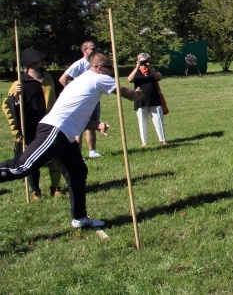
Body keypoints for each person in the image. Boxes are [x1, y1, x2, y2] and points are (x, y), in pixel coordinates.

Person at [0, 53, 144, 228]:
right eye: (110, 68)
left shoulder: (81, 81)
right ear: (99, 68)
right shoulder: (99, 78)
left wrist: (96, 125)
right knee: (22, 166)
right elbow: (129, 95)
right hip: (55, 130)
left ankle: (80, 218)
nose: (112, 72)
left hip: (64, 134)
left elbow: (76, 114)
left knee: (77, 171)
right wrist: (140, 92)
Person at [2, 48, 65, 200]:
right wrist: (16, 97)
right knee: (31, 161)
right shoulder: (20, 82)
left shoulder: (49, 79)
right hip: (30, 127)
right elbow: (7, 106)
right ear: (31, 64)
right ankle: (35, 191)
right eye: (41, 61)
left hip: (50, 124)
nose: (44, 63)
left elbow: (63, 95)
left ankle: (55, 188)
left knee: (55, 158)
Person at [59, 41, 102, 158]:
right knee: (80, 128)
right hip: (81, 102)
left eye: (96, 48)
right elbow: (63, 79)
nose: (95, 50)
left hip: (94, 100)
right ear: (85, 50)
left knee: (93, 125)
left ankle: (92, 151)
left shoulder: (96, 64)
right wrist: (71, 92)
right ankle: (77, 155)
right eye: (93, 49)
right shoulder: (79, 64)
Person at [127, 53, 169, 147]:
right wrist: (137, 67)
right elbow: (130, 79)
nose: (143, 64)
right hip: (140, 100)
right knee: (142, 122)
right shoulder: (136, 72)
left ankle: (163, 140)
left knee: (159, 120)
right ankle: (144, 142)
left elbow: (159, 77)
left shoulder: (152, 71)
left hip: (154, 99)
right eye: (141, 61)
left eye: (145, 61)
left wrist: (150, 68)